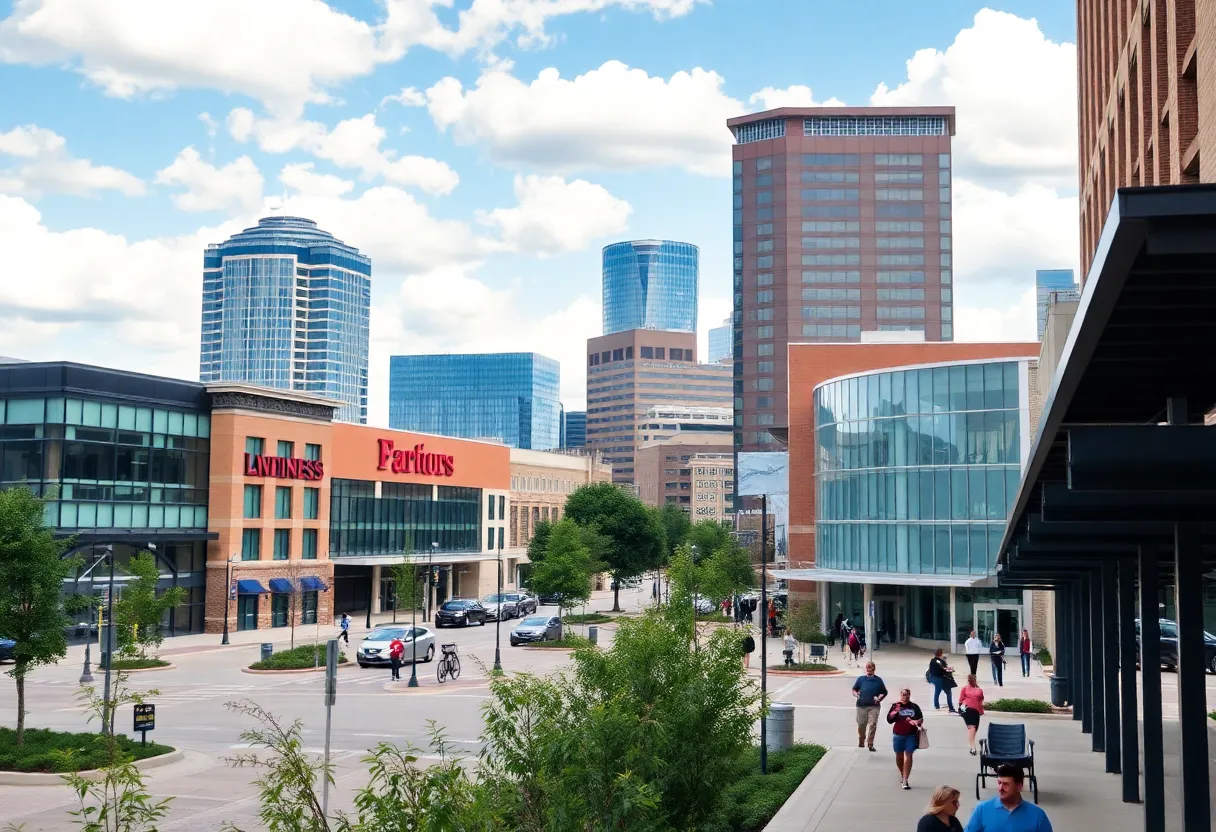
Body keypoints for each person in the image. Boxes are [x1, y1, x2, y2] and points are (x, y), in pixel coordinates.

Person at [964, 764, 1053, 831]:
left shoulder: (1037, 815)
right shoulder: (982, 810)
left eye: (1006, 784)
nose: (1000, 788)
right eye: (999, 783)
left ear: (1019, 786)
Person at [886, 688, 924, 790]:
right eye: (903, 695)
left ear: (909, 695)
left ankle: (905, 779)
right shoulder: (896, 706)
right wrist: (895, 712)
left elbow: (921, 719)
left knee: (909, 754)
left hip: (911, 735)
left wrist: (915, 722)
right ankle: (902, 773)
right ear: (900, 695)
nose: (904, 697)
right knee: (899, 757)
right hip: (898, 734)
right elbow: (889, 720)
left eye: (906, 695)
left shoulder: (914, 707)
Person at [852, 661, 888, 752]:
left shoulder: (878, 680)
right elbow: (854, 689)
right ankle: (861, 739)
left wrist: (879, 699)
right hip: (861, 705)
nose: (868, 669)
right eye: (867, 667)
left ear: (873, 669)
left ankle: (870, 743)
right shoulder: (861, 679)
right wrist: (857, 695)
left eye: (870, 667)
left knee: (873, 724)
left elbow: (884, 692)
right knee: (861, 724)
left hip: (874, 706)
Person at [958, 674, 985, 755]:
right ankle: (973, 747)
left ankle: (972, 745)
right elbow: (961, 699)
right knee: (972, 728)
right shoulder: (976, 690)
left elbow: (961, 700)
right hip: (968, 709)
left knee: (974, 729)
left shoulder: (978, 690)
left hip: (974, 710)